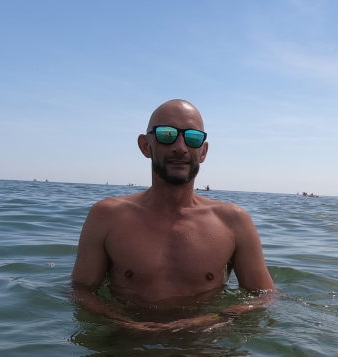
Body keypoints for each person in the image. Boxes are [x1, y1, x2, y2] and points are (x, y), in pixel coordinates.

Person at [71, 99, 275, 331]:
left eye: (192, 137)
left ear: (204, 151)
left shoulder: (233, 221)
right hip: (125, 349)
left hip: (199, 350)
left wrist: (208, 321)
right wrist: (123, 323)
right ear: (146, 145)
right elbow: (80, 291)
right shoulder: (107, 217)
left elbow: (264, 298)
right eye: (167, 135)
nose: (180, 146)